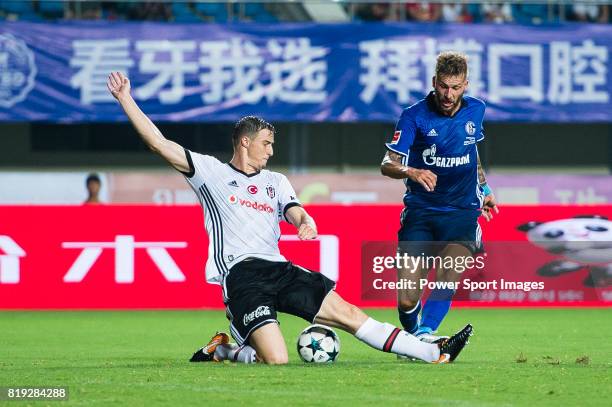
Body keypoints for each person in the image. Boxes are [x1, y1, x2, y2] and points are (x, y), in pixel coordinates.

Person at [106, 71, 473, 365]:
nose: (271, 150)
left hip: (279, 269)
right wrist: (126, 99)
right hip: (242, 277)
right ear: (245, 142)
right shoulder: (210, 173)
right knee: (276, 359)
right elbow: (158, 143)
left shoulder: (276, 180)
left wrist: (304, 222)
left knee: (347, 312)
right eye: (266, 143)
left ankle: (432, 352)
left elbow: (293, 210)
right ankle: (224, 348)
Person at [380, 52, 498, 344]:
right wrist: (412, 171)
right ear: (434, 82)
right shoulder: (413, 116)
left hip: (462, 211)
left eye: (455, 87)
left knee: (448, 273)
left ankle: (426, 332)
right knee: (407, 299)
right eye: (444, 86)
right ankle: (415, 336)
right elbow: (388, 163)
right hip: (422, 212)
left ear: (466, 85)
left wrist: (483, 189)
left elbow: (472, 154)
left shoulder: (476, 110)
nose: (448, 94)